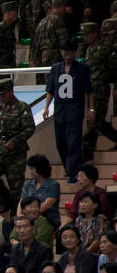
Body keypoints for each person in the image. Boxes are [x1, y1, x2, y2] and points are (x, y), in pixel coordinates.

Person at [42, 37, 92, 182]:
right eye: (64, 53)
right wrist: (46, 107)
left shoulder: (82, 69)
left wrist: (91, 109)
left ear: (75, 53)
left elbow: (89, 91)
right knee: (60, 143)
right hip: (59, 111)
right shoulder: (56, 68)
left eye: (70, 53)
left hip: (75, 110)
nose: (67, 56)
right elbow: (51, 90)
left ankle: (72, 172)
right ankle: (70, 169)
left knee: (74, 143)